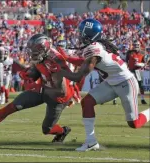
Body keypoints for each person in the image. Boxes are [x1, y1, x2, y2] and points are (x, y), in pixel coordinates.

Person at [0, 34, 81, 143]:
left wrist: (37, 85)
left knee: (47, 129)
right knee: (12, 106)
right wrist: (30, 75)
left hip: (58, 98)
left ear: (43, 49)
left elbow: (61, 89)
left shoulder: (57, 61)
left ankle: (62, 131)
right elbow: (38, 71)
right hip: (44, 89)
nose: (31, 53)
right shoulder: (41, 56)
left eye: (34, 51)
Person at [58, 19, 150, 151]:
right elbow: (85, 62)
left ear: (89, 34)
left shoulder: (94, 49)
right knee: (87, 102)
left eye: (81, 33)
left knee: (134, 123)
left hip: (126, 83)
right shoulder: (96, 47)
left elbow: (80, 74)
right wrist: (66, 59)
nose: (79, 35)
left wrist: (60, 72)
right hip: (111, 82)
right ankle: (91, 141)